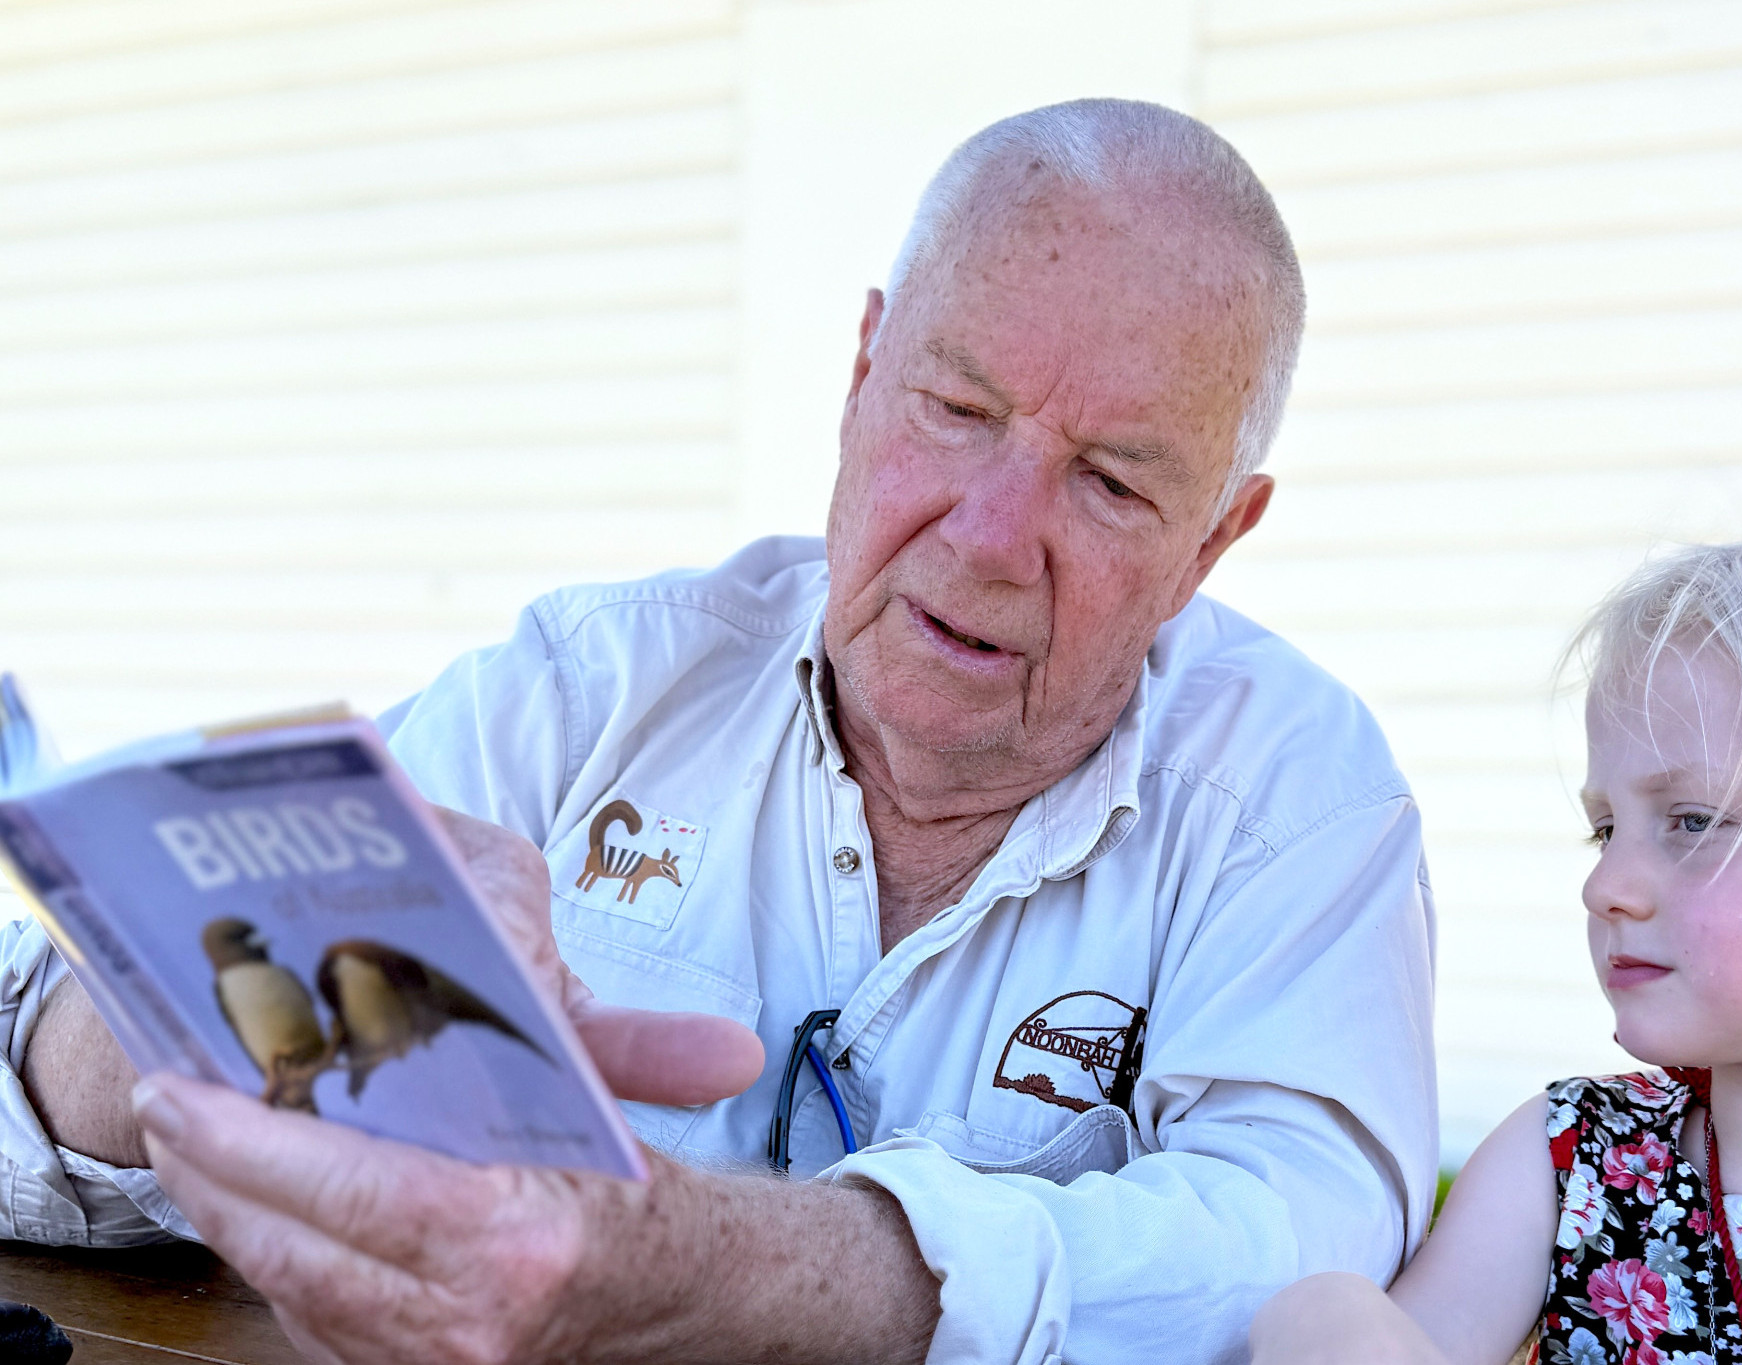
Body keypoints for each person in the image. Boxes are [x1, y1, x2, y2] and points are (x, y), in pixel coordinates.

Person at [0, 100, 1440, 1364]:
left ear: (1213, 540)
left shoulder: (1299, 804)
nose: (994, 537)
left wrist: (736, 1273)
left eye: (1114, 485)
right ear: (864, 372)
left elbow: (1297, 1247)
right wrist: (212, 996)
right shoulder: (587, 692)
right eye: (954, 407)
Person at [1249, 521, 1742, 1365]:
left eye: (1694, 821)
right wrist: (1322, 1312)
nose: (1606, 887)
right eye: (1605, 830)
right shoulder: (1574, 1161)